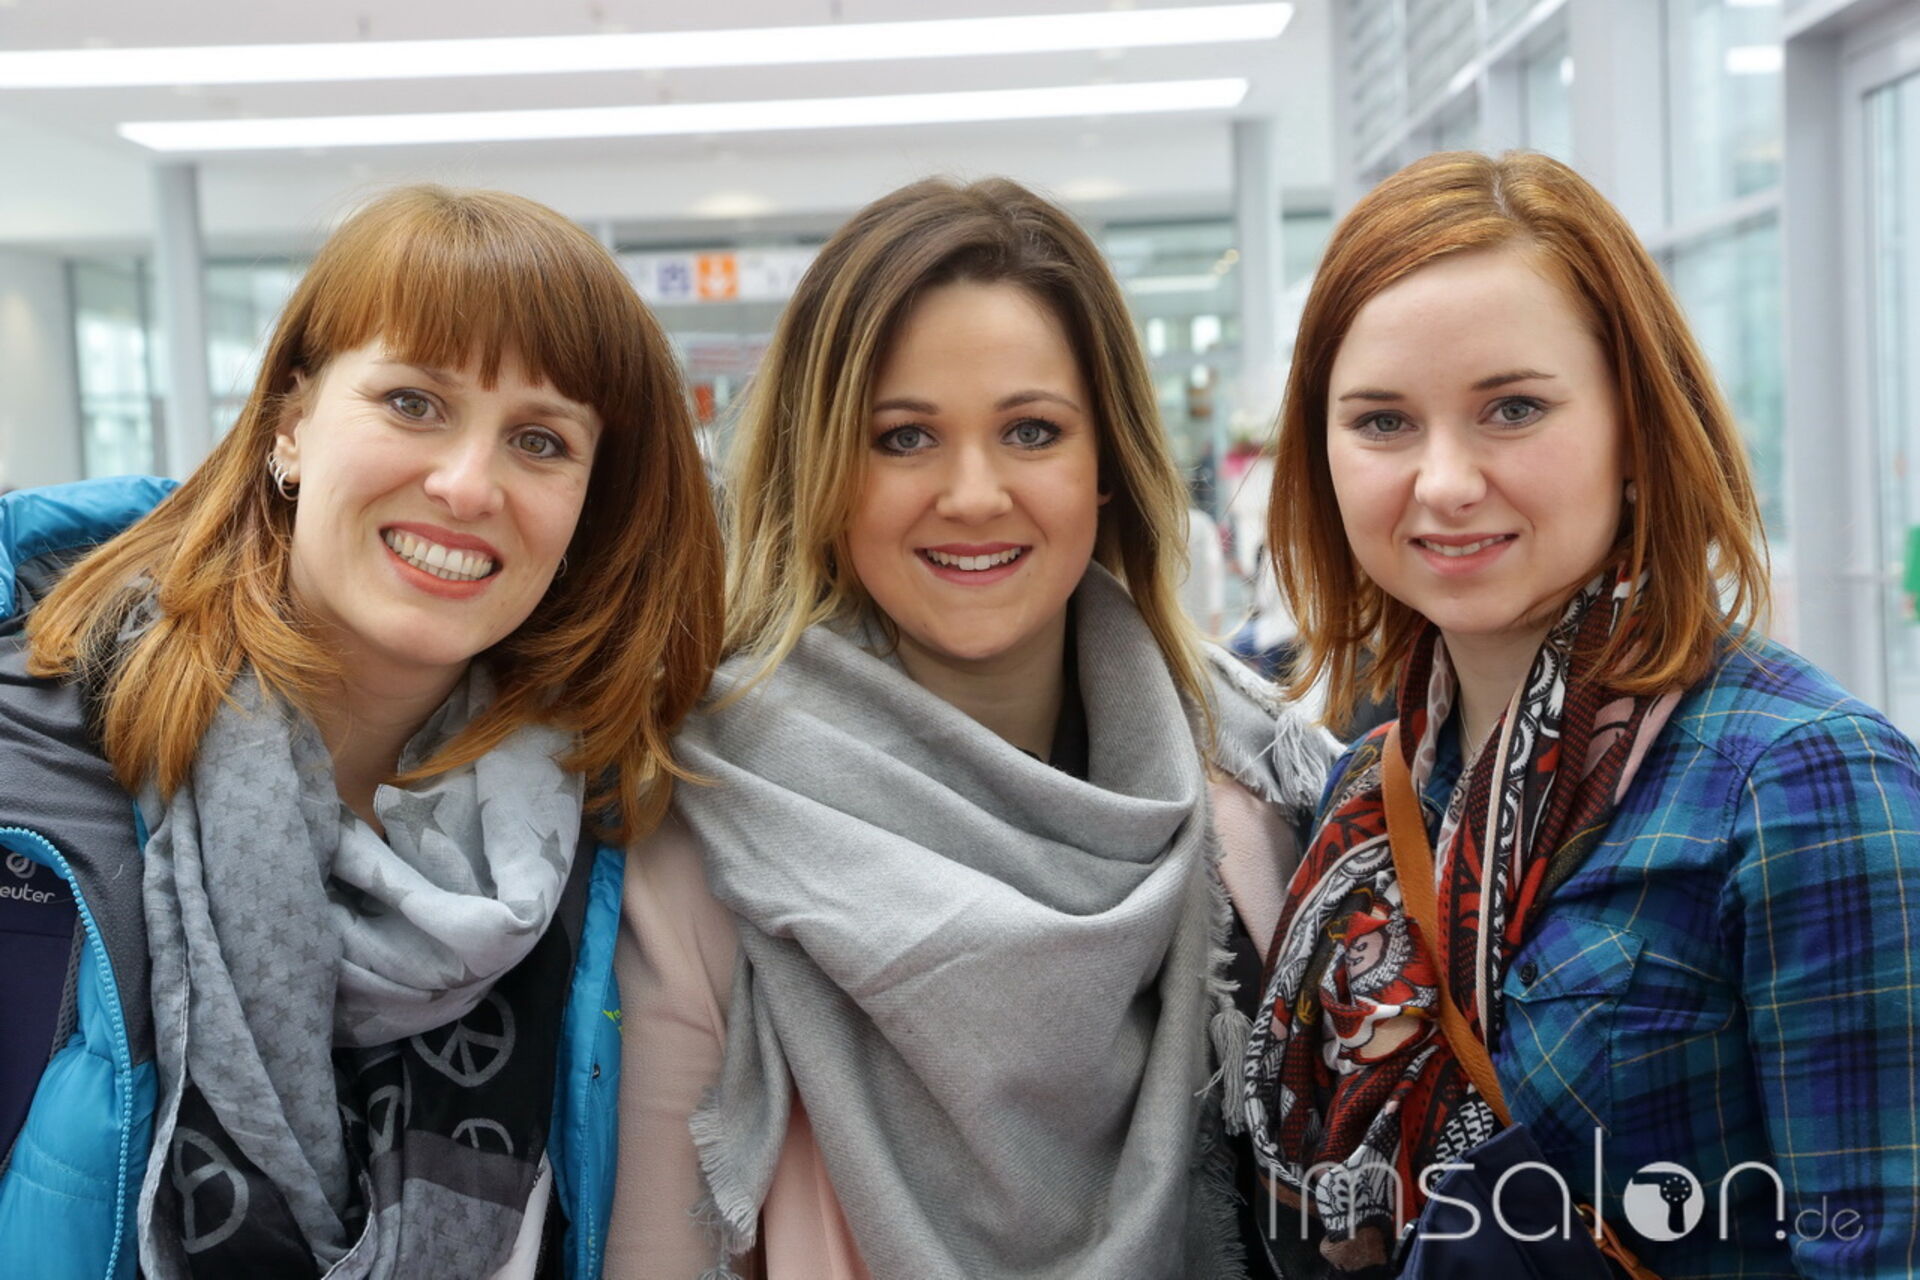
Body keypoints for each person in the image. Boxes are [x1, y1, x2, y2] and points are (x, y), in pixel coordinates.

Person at [606, 176, 1336, 1279]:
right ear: (822, 472)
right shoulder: (706, 814)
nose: (974, 493)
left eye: (1031, 430)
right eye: (904, 438)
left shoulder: (1256, 793)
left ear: (1105, 465)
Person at [0, 185, 724, 1280]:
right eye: (413, 402)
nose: (466, 485)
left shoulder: (625, 819)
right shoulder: (34, 761)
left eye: (540, 440)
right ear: (291, 423)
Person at [1242, 149, 1920, 1278]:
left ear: (1636, 429)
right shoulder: (1371, 785)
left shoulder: (1800, 780)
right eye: (1383, 421)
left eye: (1513, 409)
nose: (1444, 481)